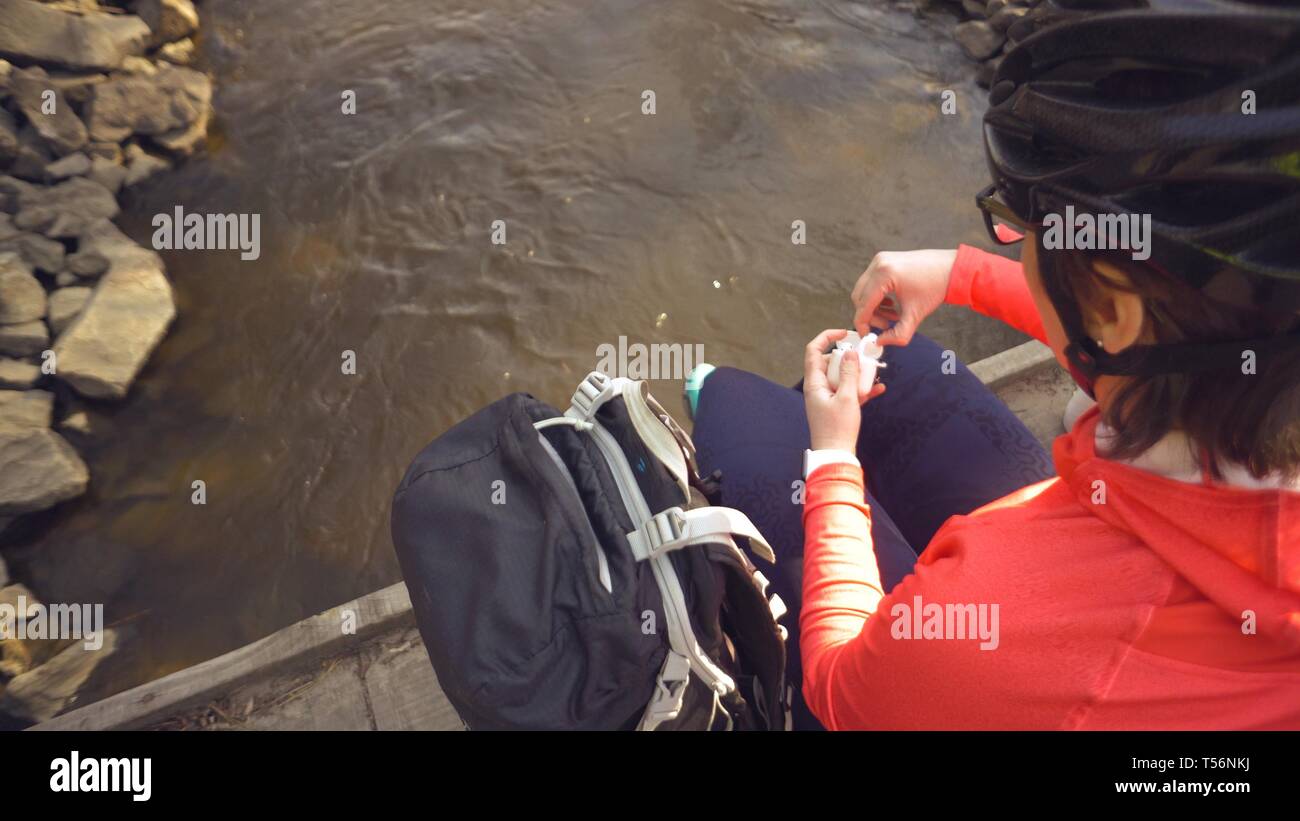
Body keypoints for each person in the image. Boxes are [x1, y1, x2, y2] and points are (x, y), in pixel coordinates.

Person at [689, 1, 1300, 729]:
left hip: (932, 672)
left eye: (1025, 228)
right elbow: (1166, 345)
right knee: (911, 371)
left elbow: (842, 683)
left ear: (1111, 309)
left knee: (733, 405)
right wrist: (964, 274)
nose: (1018, 241)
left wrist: (830, 460)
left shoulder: (1016, 635)